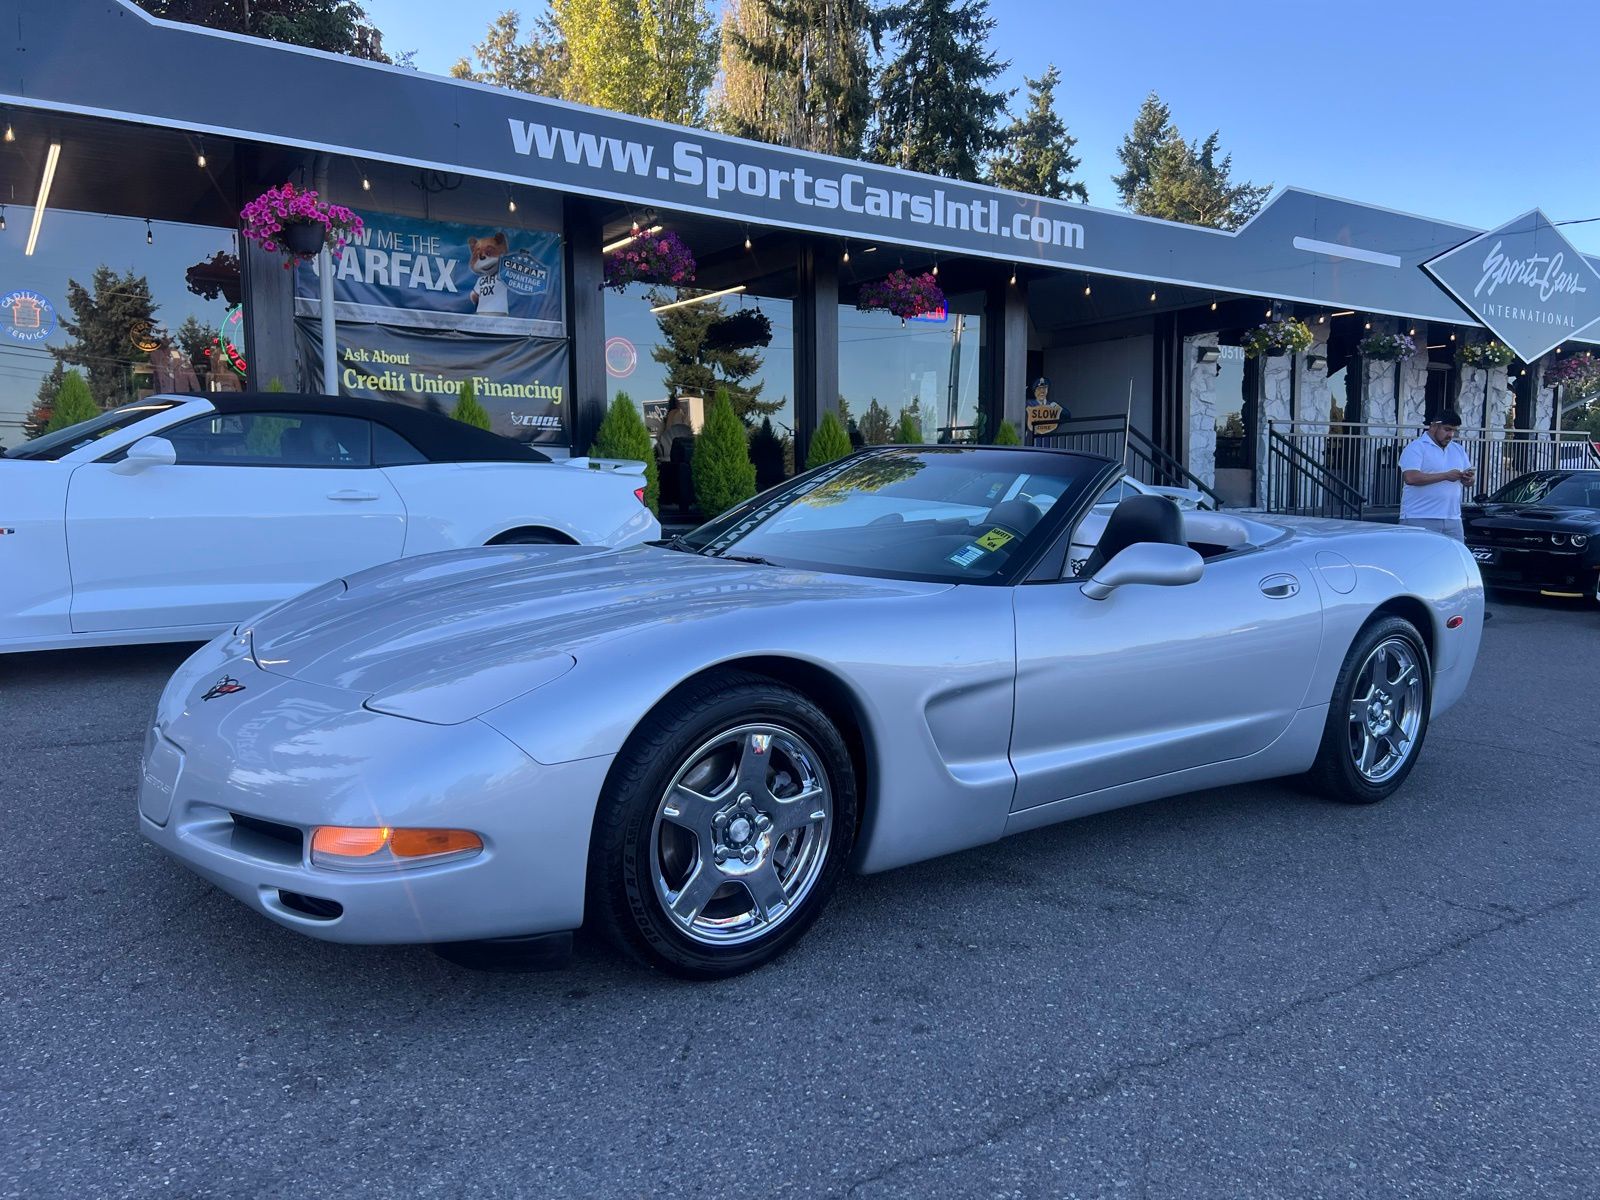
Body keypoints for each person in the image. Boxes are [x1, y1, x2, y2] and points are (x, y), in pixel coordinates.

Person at [1399, 409, 1473, 540]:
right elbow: (1410, 478)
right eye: (1447, 429)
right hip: (1419, 517)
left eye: (1453, 431)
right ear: (1434, 426)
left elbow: (1470, 481)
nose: (1450, 434)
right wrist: (1445, 476)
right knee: (1418, 559)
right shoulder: (1416, 447)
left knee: (1454, 560)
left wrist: (1468, 479)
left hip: (1452, 518)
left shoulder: (1458, 449)